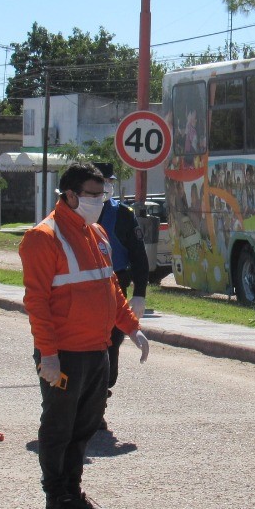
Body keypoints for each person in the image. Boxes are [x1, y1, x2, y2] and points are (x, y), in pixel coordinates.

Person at [19, 161, 150, 509]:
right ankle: (55, 502)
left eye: (103, 193)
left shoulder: (96, 234)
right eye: (93, 195)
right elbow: (37, 303)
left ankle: (73, 493)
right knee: (59, 427)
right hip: (64, 354)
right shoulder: (42, 238)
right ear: (70, 195)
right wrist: (48, 354)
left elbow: (110, 287)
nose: (100, 200)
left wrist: (131, 328)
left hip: (96, 349)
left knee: (85, 426)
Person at [93, 162, 149, 417]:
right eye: (100, 182)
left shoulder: (123, 215)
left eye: (108, 183)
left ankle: (101, 399)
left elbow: (139, 256)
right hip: (79, 291)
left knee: (111, 343)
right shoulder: (70, 213)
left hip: (116, 288)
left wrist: (140, 294)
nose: (105, 188)